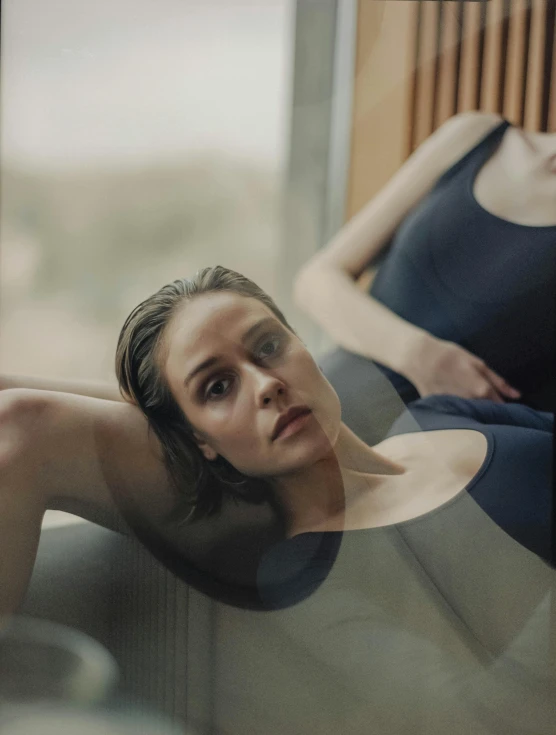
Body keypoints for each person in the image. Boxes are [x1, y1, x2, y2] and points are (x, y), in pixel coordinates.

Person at [0, 266, 553, 733]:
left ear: (303, 345)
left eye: (268, 347)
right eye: (218, 387)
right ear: (201, 443)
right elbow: (489, 716)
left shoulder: (441, 415)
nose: (265, 384)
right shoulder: (307, 578)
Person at [294, 111, 556, 444]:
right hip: (299, 424)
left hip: (438, 475)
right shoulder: (475, 136)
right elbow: (316, 280)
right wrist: (419, 355)